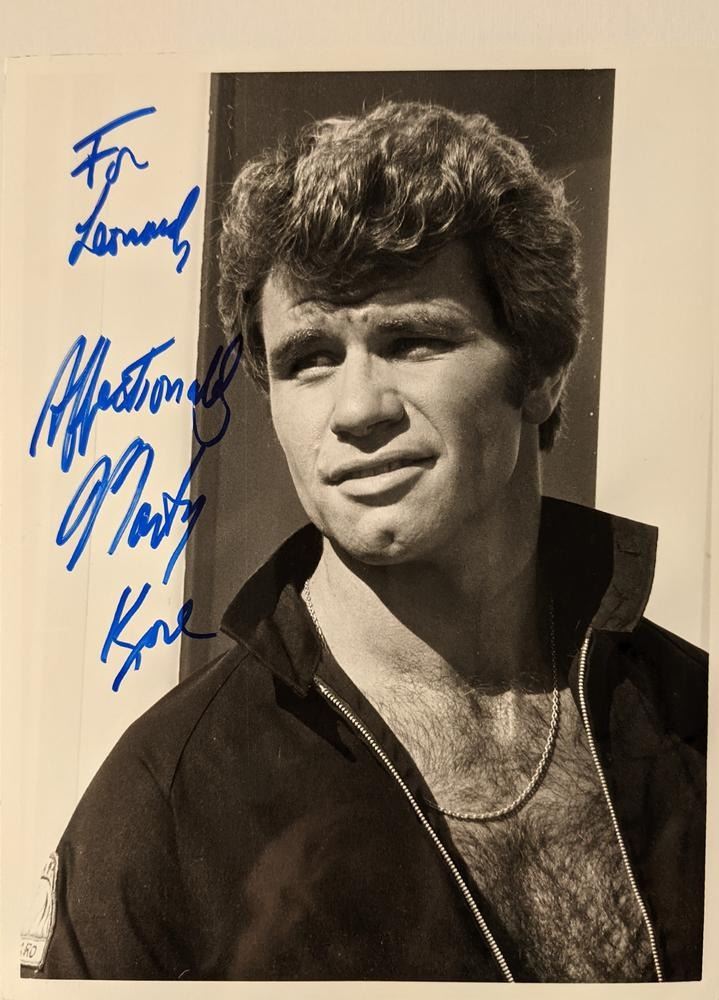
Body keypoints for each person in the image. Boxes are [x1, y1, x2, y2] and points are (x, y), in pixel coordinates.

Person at [22, 100, 707, 983]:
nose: (356, 410)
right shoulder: (163, 803)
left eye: (413, 340)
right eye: (309, 358)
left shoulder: (690, 717)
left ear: (539, 372)